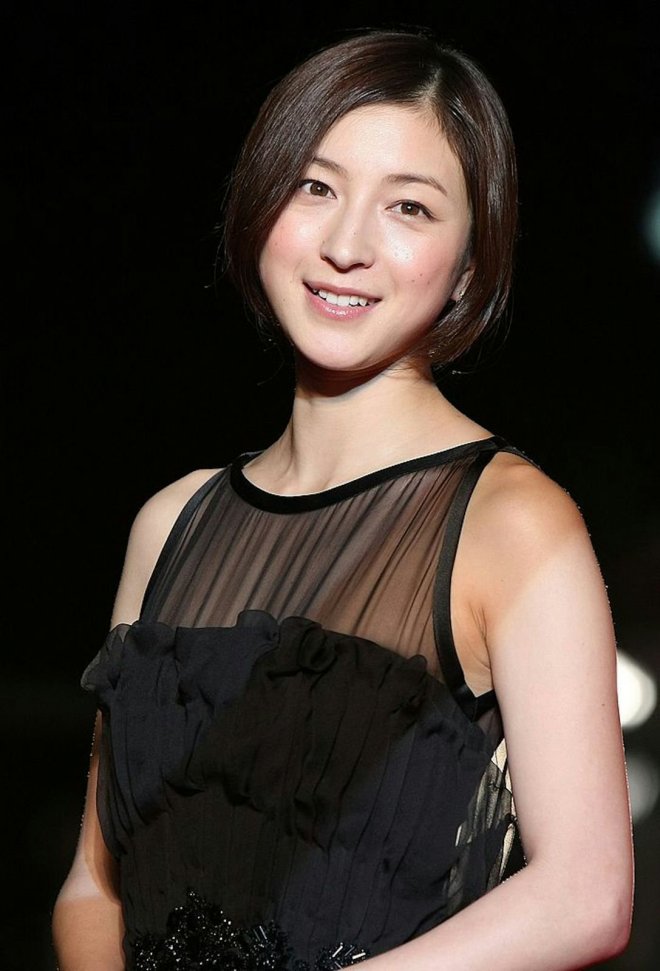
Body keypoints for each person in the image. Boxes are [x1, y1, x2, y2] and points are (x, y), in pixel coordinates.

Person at [52, 26, 634, 971]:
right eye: (315, 187)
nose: (346, 245)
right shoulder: (170, 524)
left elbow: (586, 896)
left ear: (469, 263)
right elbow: (94, 882)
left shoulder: (510, 522)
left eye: (408, 206)